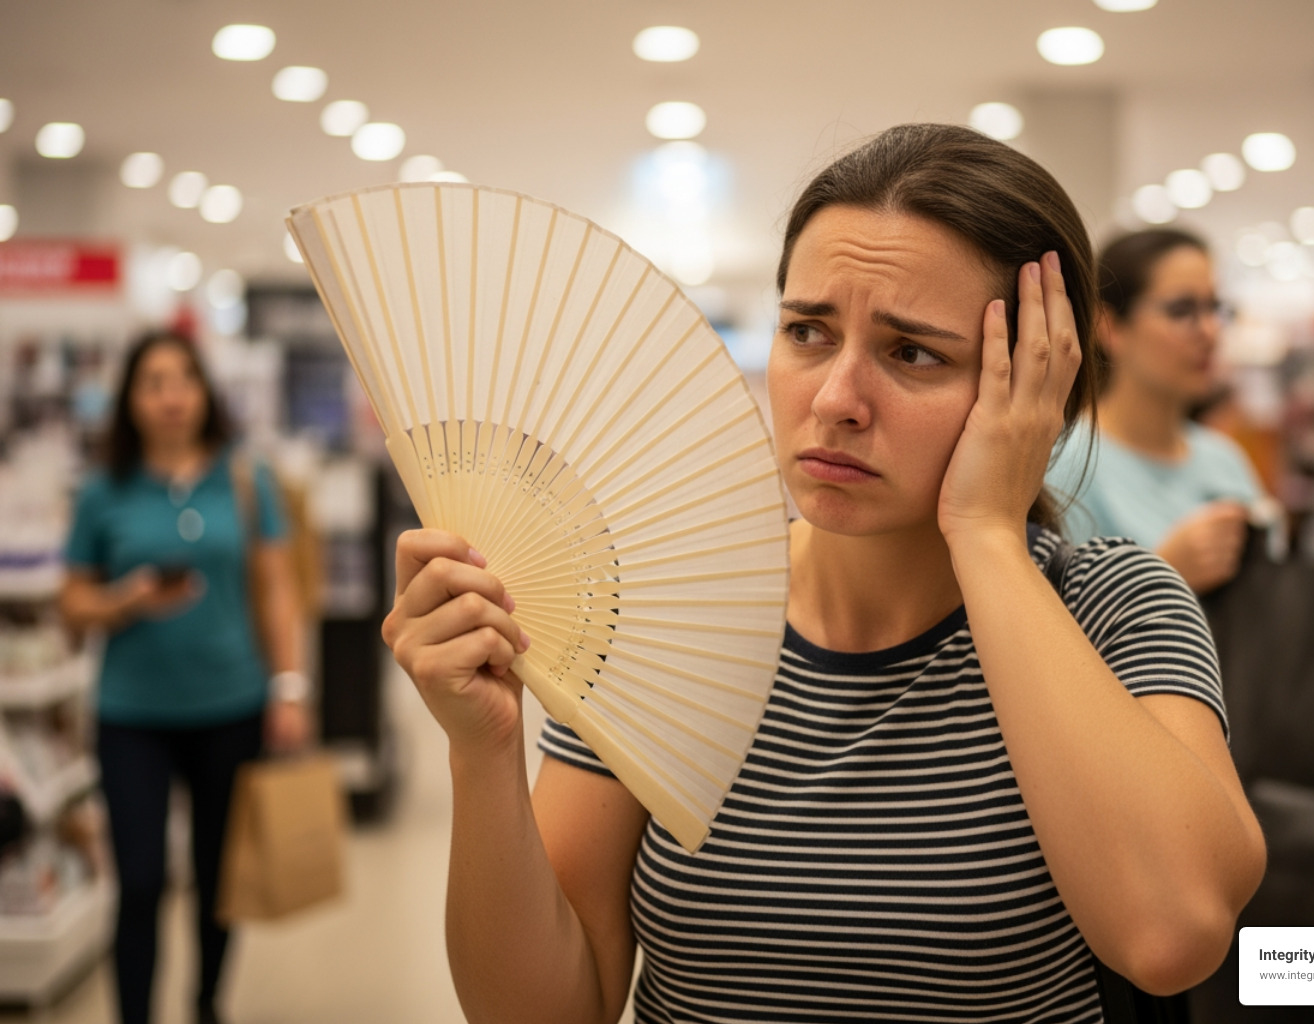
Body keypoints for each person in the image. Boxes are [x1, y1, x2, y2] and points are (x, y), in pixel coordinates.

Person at [383, 124, 1266, 1023]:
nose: (836, 400)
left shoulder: (1114, 605)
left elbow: (1169, 938)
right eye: (807, 331)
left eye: (912, 351)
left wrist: (988, 532)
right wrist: (482, 751)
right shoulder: (664, 617)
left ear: (1040, 387)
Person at [59, 329, 312, 1024]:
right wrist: (126, 599)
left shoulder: (244, 474)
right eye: (154, 382)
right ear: (130, 399)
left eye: (184, 380)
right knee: (138, 882)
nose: (172, 396)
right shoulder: (102, 491)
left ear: (205, 392)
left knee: (216, 879)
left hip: (231, 703)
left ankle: (206, 1003)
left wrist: (290, 686)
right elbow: (71, 601)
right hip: (131, 713)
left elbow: (276, 587)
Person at [1044, 228, 1265, 594]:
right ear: (1110, 326)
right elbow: (1041, 630)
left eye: (1215, 309)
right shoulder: (1067, 466)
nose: (1209, 331)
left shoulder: (1226, 461)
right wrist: (1164, 573)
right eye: (1182, 310)